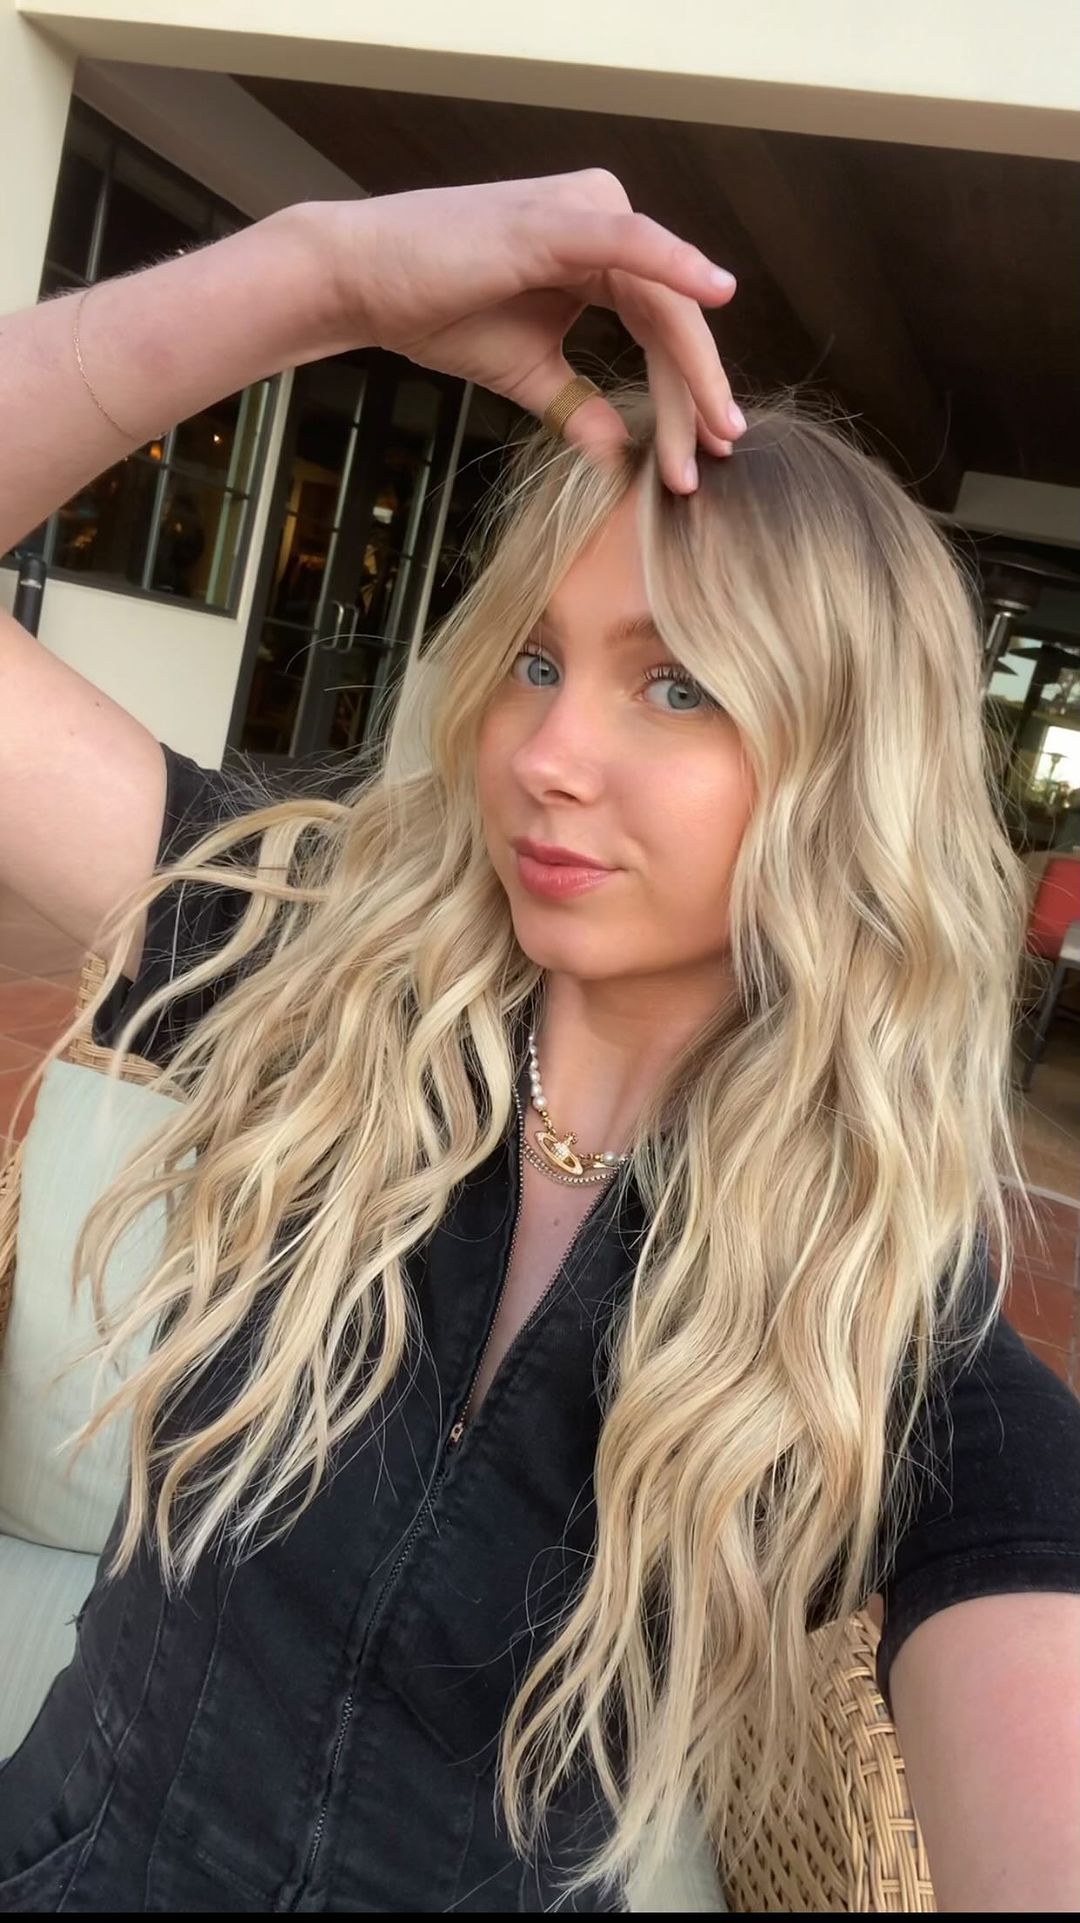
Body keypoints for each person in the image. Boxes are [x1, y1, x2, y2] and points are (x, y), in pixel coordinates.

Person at [0, 173, 1078, 1915]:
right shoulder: (314, 971)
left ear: (845, 773)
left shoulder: (876, 1309)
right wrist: (321, 272)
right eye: (537, 663)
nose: (549, 756)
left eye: (677, 685)